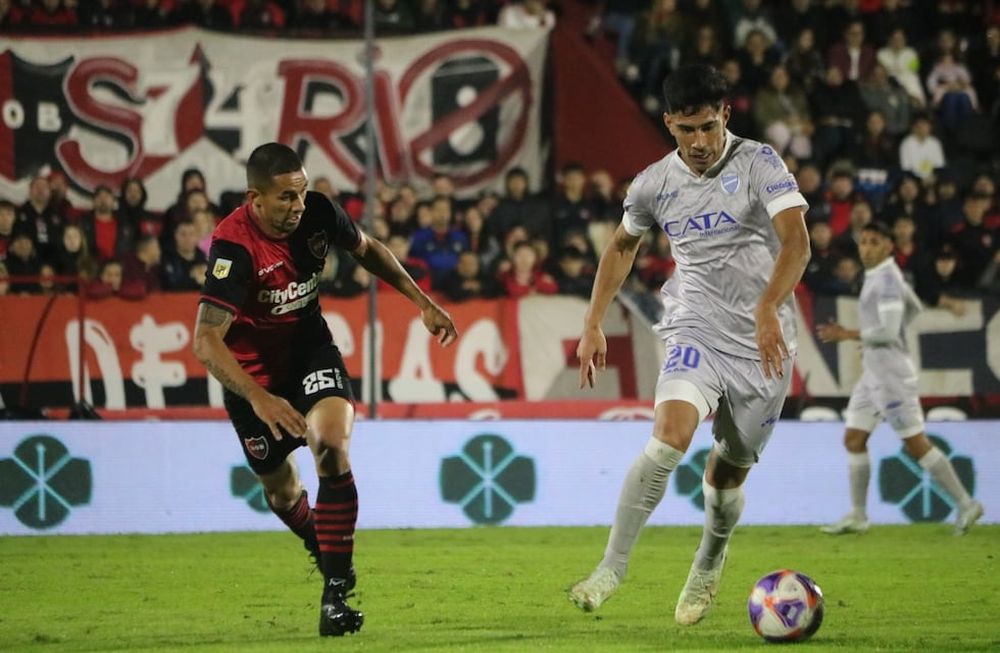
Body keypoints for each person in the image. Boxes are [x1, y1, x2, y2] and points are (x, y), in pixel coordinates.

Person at [568, 63, 810, 625]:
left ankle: (709, 559)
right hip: (694, 324)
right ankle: (609, 569)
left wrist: (768, 306)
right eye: (686, 130)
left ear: (725, 114)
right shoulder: (653, 183)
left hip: (763, 342)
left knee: (726, 476)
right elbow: (622, 246)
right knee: (668, 438)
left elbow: (796, 242)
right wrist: (593, 322)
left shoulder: (759, 163)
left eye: (707, 127)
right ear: (668, 123)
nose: (699, 142)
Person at [192, 143, 457, 637]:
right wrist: (259, 397)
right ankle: (323, 543)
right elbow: (206, 341)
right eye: (286, 197)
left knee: (331, 447)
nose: (298, 205)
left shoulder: (318, 213)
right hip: (254, 380)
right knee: (281, 492)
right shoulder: (233, 247)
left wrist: (422, 301)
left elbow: (369, 250)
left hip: (311, 353)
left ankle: (334, 594)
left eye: (302, 193)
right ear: (255, 199)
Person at [816, 222, 983, 536]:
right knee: (853, 439)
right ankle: (858, 515)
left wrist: (848, 334)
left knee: (916, 444)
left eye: (874, 242)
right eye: (864, 241)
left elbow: (889, 332)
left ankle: (966, 503)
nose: (866, 248)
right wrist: (878, 339)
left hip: (892, 376)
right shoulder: (881, 275)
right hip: (873, 373)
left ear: (888, 246)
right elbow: (915, 307)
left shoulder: (887, 281)